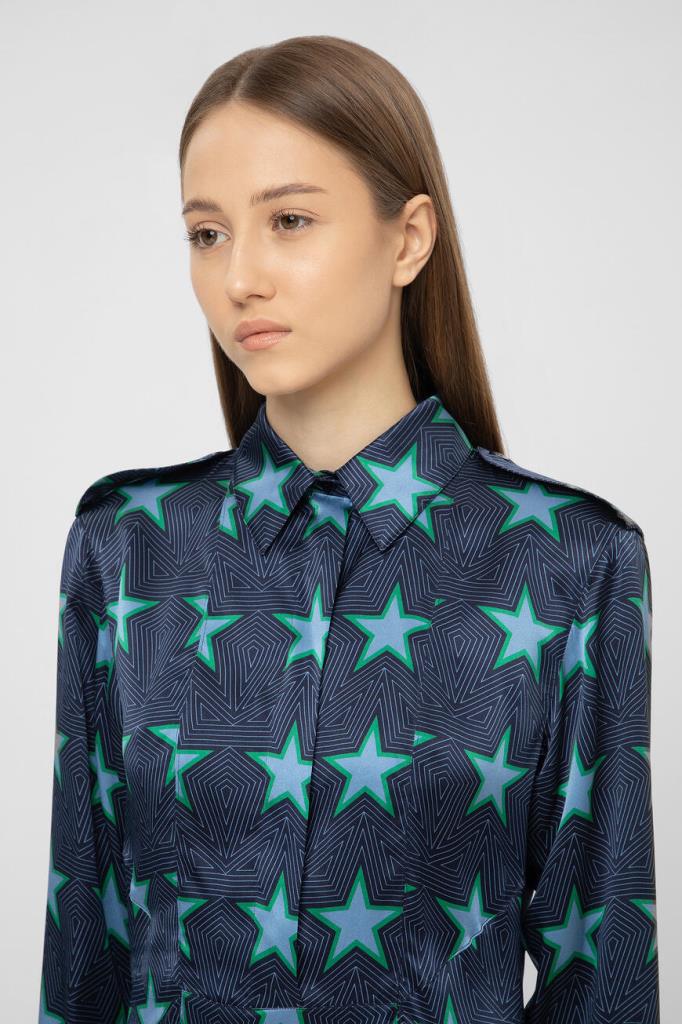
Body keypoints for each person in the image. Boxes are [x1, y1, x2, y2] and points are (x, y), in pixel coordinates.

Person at [38, 34, 659, 1024]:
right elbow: (87, 951)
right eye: (207, 233)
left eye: (288, 220)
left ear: (408, 238)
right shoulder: (126, 549)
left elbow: (603, 976)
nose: (239, 278)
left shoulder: (570, 562)